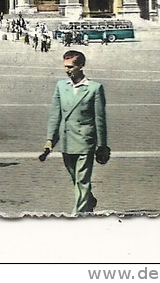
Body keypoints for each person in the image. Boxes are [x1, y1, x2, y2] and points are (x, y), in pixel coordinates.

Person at [41, 50, 109, 215]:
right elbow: (54, 115)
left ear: (81, 66)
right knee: (75, 178)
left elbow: (100, 119)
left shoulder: (94, 88)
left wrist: (102, 146)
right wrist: (50, 140)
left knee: (82, 180)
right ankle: (89, 200)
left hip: (85, 141)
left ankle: (76, 215)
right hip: (66, 140)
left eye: (70, 67)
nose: (67, 70)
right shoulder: (60, 86)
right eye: (65, 67)